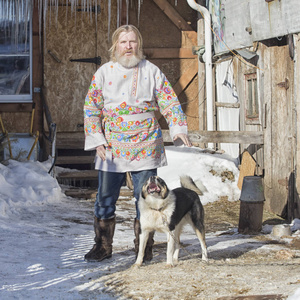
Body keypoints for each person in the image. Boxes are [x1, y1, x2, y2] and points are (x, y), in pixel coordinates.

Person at [83, 24, 192, 262]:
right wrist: (97, 140)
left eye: (132, 42)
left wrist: (178, 128)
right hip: (111, 146)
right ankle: (102, 246)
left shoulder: (151, 71)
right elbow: (91, 108)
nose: (128, 46)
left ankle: (144, 247)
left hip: (144, 145)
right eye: (123, 42)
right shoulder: (103, 72)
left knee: (147, 198)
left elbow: (170, 102)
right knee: (104, 198)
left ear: (139, 45)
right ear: (115, 46)